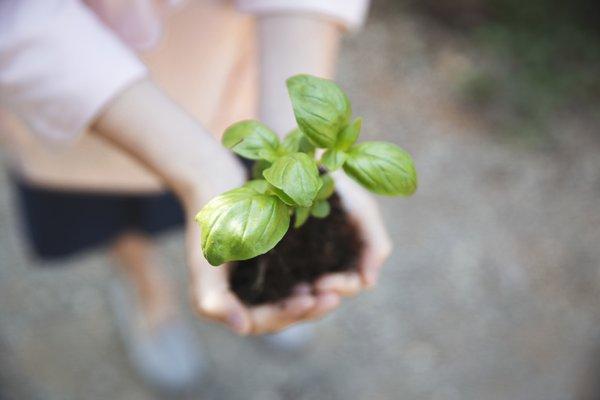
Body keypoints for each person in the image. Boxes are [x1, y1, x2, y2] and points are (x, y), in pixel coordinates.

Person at [0, 0, 391, 392]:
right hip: (69, 96)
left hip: (215, 68)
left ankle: (270, 279)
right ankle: (148, 292)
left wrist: (298, 136)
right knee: (108, 213)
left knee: (240, 183)